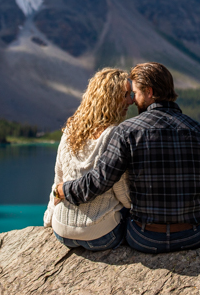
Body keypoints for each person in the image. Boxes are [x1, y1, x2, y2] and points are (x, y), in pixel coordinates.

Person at [53, 62, 200, 253]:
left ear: (149, 92)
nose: (133, 100)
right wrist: (198, 217)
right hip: (196, 235)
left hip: (146, 238)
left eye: (135, 93)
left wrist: (63, 190)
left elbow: (100, 181)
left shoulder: (126, 132)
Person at [43, 68, 134, 250]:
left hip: (62, 232)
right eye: (126, 95)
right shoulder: (115, 134)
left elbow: (58, 179)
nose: (131, 101)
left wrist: (49, 219)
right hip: (101, 236)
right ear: (111, 98)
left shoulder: (70, 130)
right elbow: (123, 193)